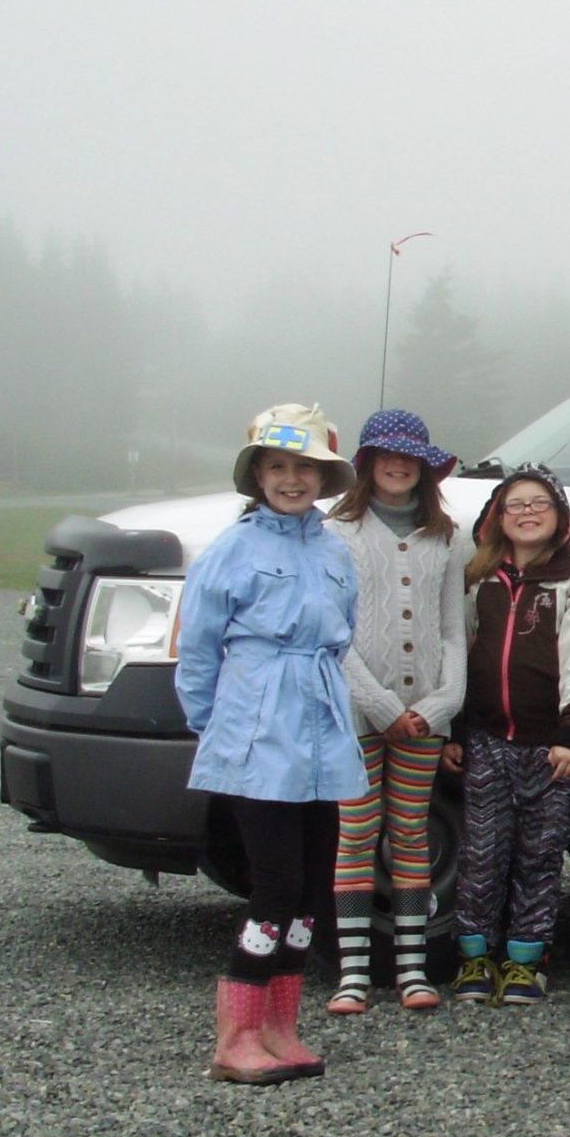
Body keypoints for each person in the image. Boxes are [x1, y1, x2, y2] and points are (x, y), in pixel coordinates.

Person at [174, 403, 367, 1085]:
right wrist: (216, 729)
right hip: (259, 733)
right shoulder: (232, 550)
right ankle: (236, 1033)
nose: (292, 480)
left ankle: (281, 1025)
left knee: (313, 885)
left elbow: (339, 631)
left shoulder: (333, 549)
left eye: (304, 468)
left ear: (323, 476)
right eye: (278, 466)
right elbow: (196, 650)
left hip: (321, 729)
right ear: (256, 474)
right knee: (275, 883)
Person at [322, 408, 468, 1013]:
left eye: (410, 456)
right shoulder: (337, 533)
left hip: (423, 717)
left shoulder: (449, 537)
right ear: (366, 463)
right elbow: (332, 633)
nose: (398, 464)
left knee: (410, 834)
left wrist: (443, 703)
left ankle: (413, 971)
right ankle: (354, 973)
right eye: (387, 454)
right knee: (357, 836)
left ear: (425, 466)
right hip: (358, 716)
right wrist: (379, 705)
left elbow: (455, 629)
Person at [447, 464, 570, 1006]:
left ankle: (525, 962)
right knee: (482, 853)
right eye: (515, 504)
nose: (528, 513)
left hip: (550, 748)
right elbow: (459, 660)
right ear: (496, 518)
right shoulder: (477, 584)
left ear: (560, 519)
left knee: (540, 856)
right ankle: (472, 958)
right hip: (487, 740)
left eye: (540, 503)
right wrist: (456, 731)